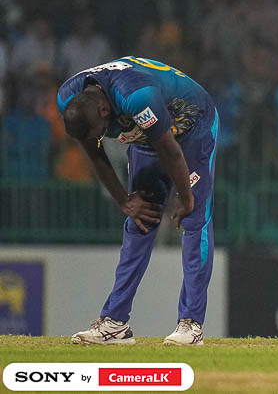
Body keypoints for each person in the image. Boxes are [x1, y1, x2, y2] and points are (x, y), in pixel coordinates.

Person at [57, 56, 218, 346]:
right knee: (140, 219)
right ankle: (115, 324)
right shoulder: (70, 101)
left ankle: (191, 325)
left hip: (192, 127)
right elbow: (93, 151)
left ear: (106, 110)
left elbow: (170, 151)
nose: (100, 139)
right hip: (146, 138)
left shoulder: (135, 95)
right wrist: (123, 200)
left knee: (195, 219)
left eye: (101, 133)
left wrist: (185, 197)